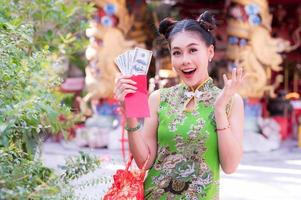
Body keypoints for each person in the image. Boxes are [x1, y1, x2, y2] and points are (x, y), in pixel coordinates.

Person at [114, 11, 245, 200]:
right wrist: (130, 114)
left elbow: (230, 166)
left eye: (193, 50)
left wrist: (219, 109)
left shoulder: (231, 101)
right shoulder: (158, 98)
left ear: (210, 52)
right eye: (177, 52)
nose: (185, 60)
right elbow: (144, 161)